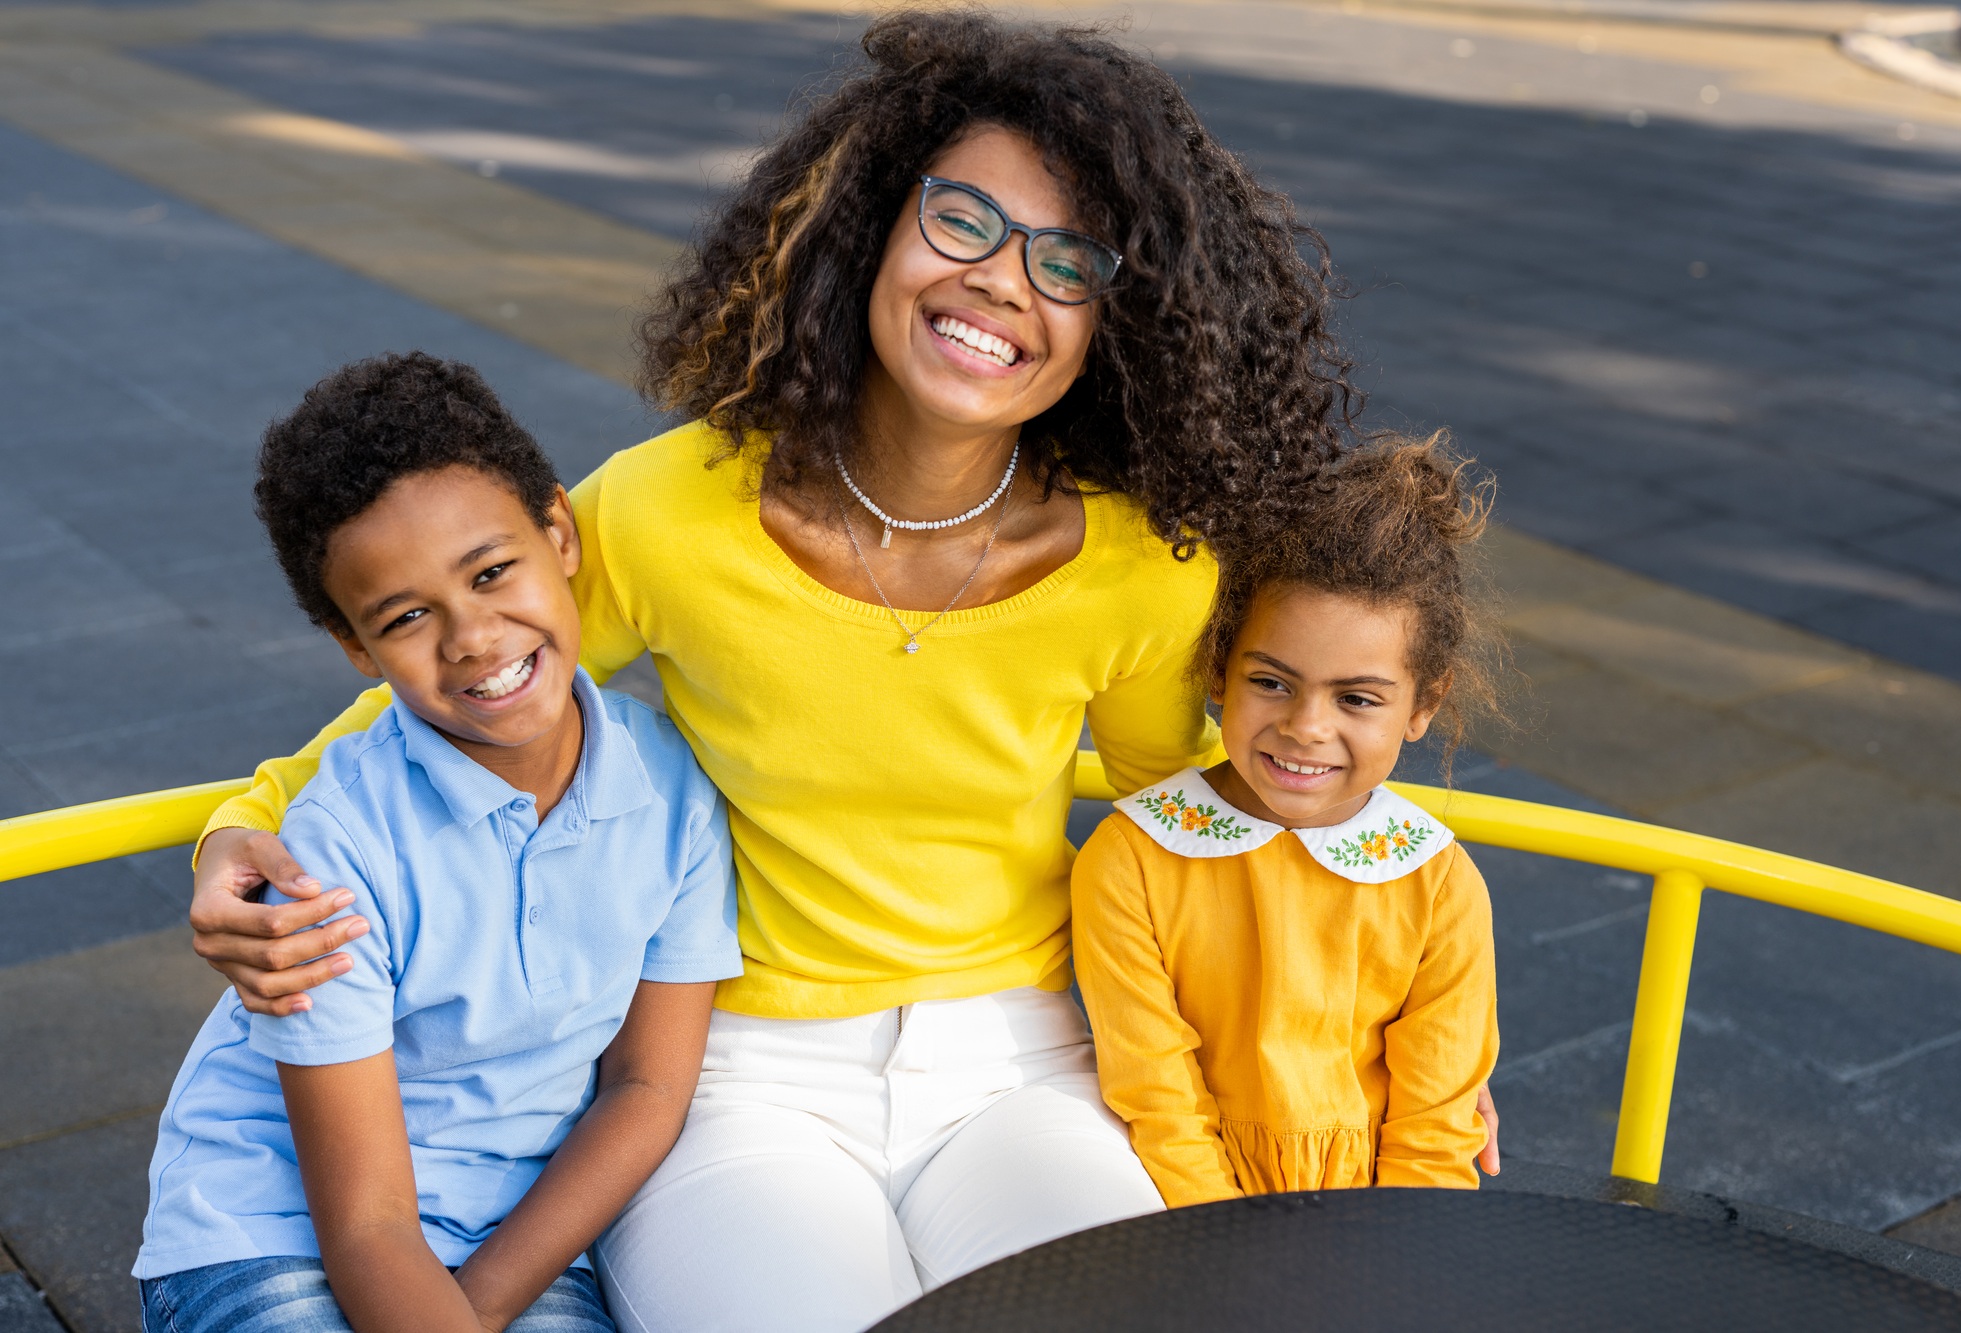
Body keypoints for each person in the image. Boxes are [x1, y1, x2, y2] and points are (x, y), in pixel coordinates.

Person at [178, 14, 1490, 1331]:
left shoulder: (1146, 564)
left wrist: (1378, 1050)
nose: (998, 280)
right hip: (739, 1076)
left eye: (1066, 259)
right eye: (962, 218)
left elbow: (1229, 837)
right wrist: (241, 826)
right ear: (873, 226)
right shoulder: (670, 511)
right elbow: (444, 681)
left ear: (1116, 315)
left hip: (1027, 1062)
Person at [133, 354, 742, 1333]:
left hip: (505, 1240)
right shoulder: (334, 851)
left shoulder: (670, 791)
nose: (472, 636)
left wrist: (480, 1303)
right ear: (355, 650)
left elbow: (647, 1085)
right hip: (270, 1234)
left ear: (560, 533)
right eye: (407, 617)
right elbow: (368, 1224)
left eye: (492, 571)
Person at [1074, 437, 1503, 1206]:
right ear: (1218, 665)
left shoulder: (1439, 884)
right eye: (1272, 681)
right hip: (1184, 1204)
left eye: (1358, 698)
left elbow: (1434, 1123)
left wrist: (1402, 1253)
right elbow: (1158, 1097)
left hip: (1378, 1222)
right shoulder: (1130, 858)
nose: (1306, 727)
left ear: (1424, 704)